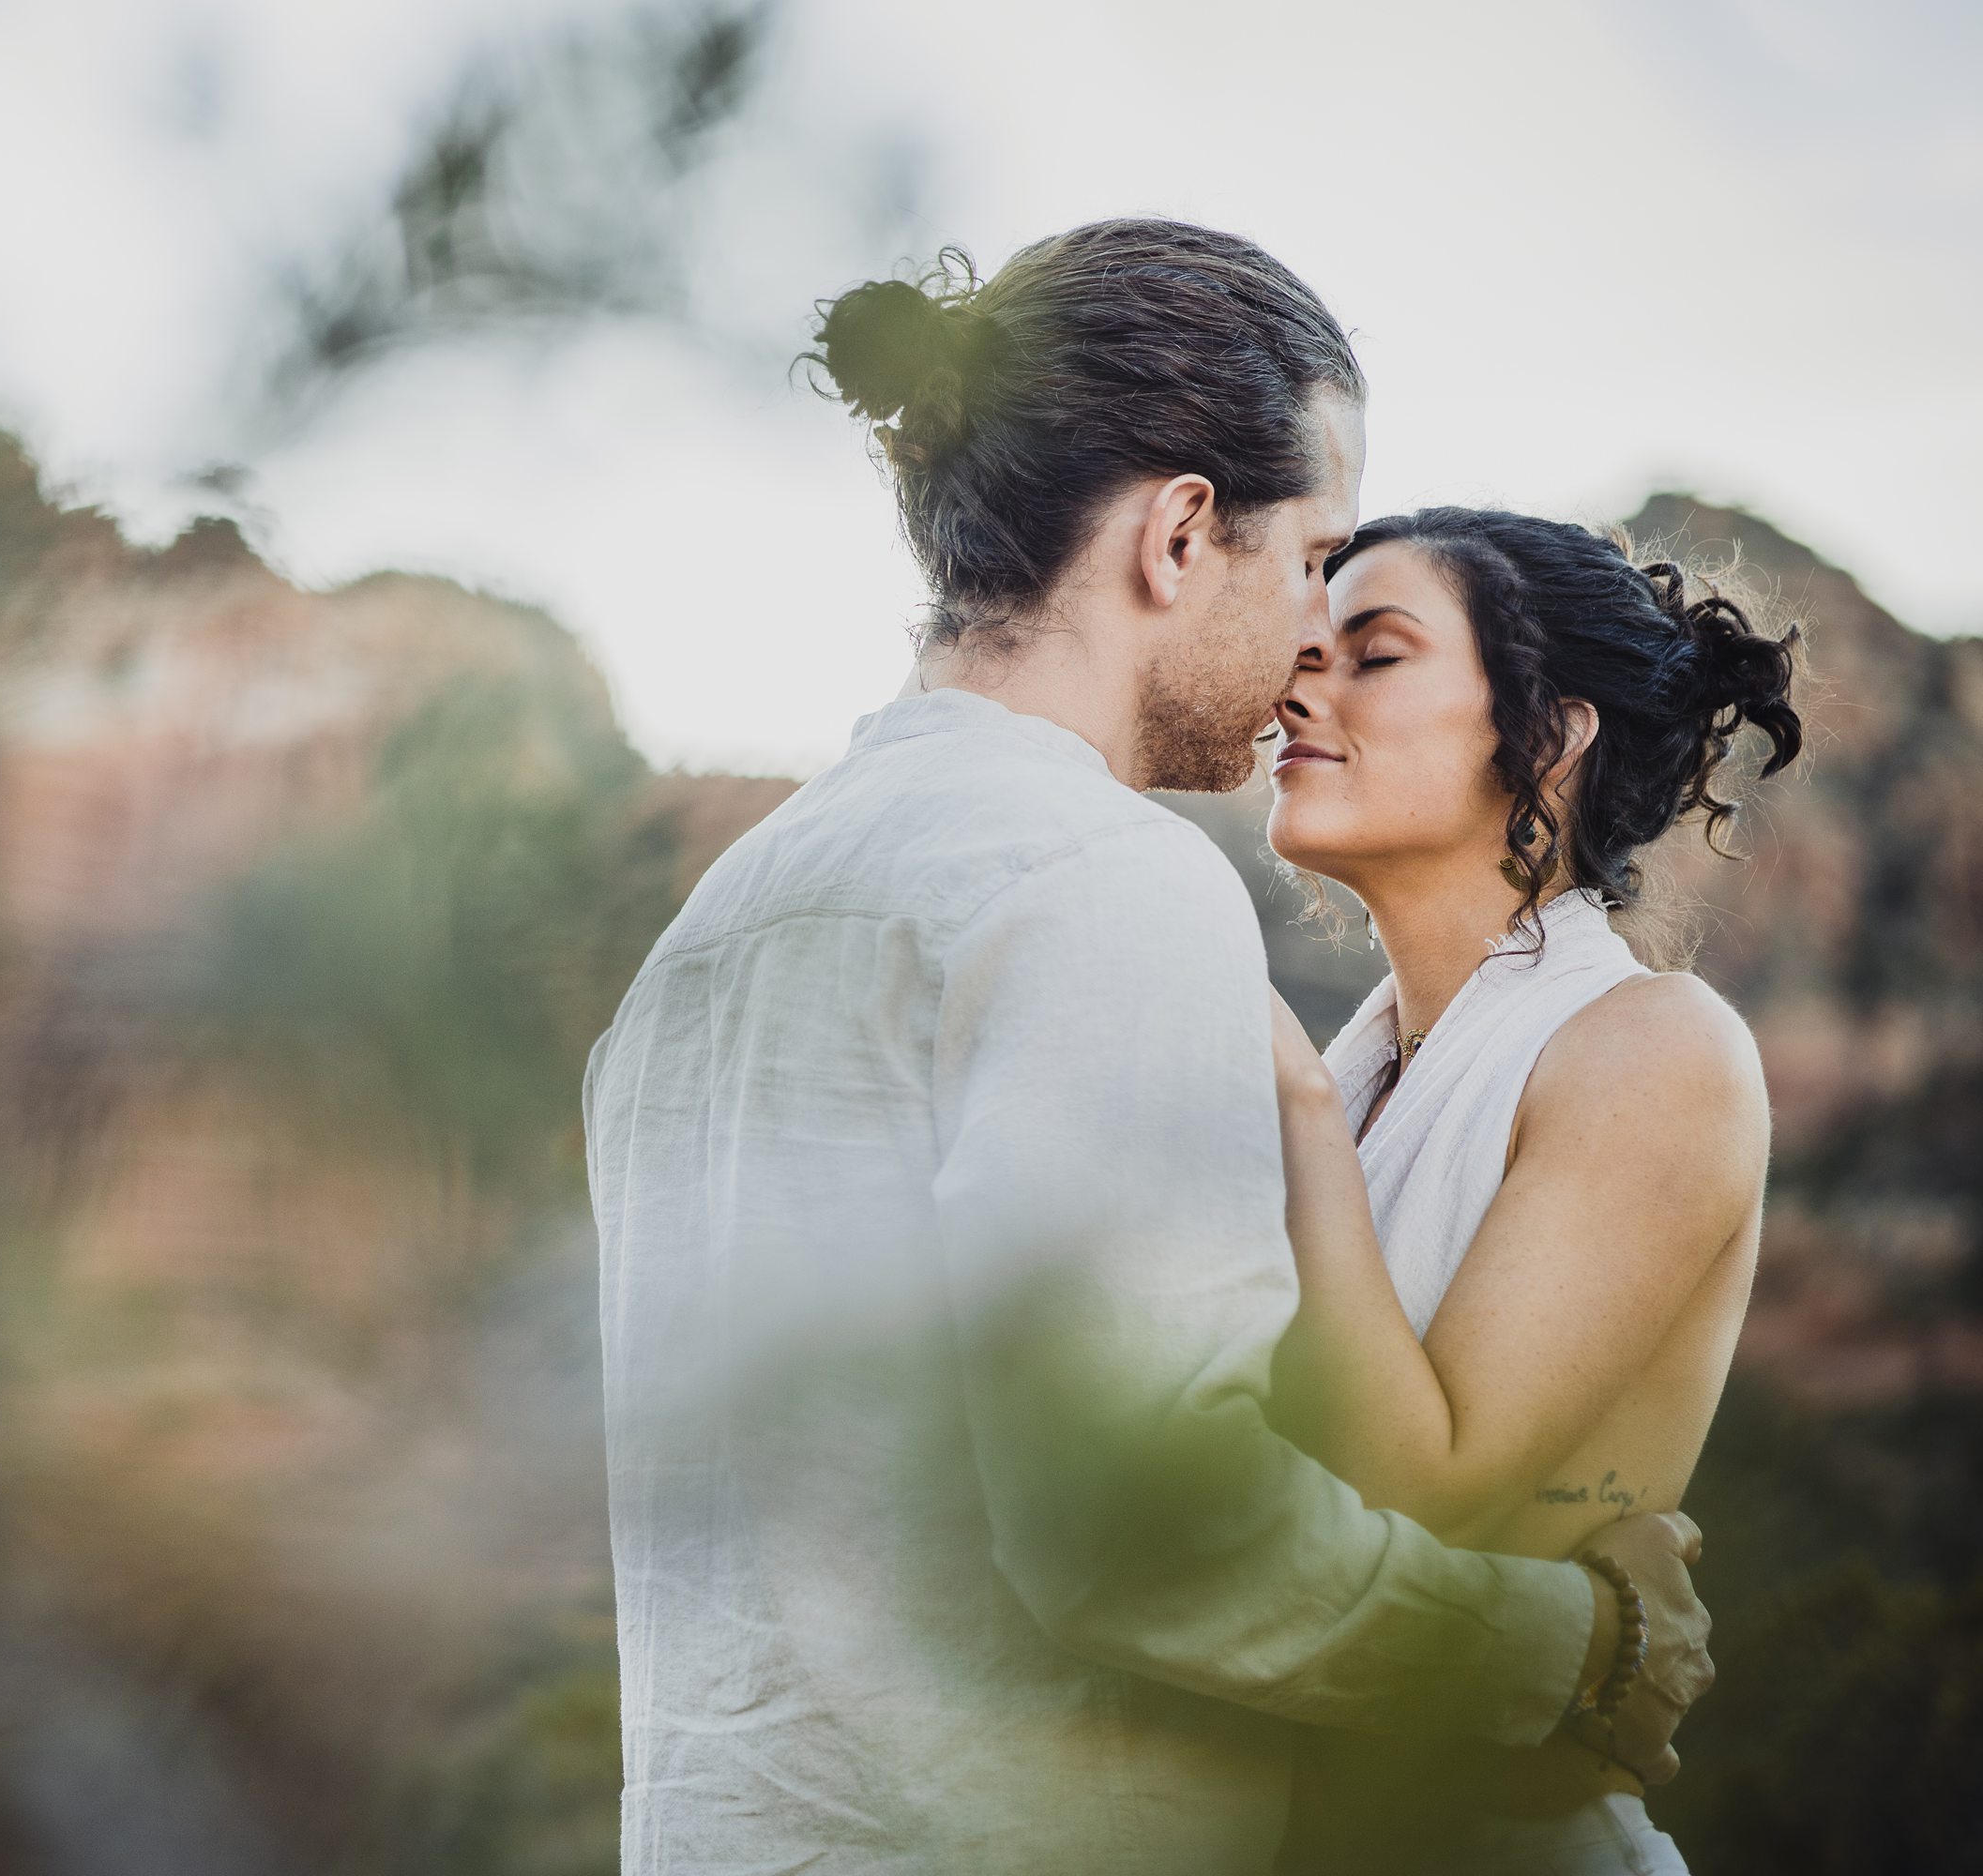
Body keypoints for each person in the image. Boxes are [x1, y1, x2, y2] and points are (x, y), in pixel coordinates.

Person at [582, 218, 1714, 1876]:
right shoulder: (1102, 886)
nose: (1312, 630)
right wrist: (1572, 1651)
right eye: (1315, 554)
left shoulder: (707, 937)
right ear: (1184, 533)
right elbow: (1156, 1539)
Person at [1263, 508, 1802, 1872]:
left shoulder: (1655, 1048)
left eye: (1373, 654)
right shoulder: (1369, 1061)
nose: (1295, 681)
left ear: (1553, 738)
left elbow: (1415, 1496)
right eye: (1306, 647)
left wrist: (1290, 1109)